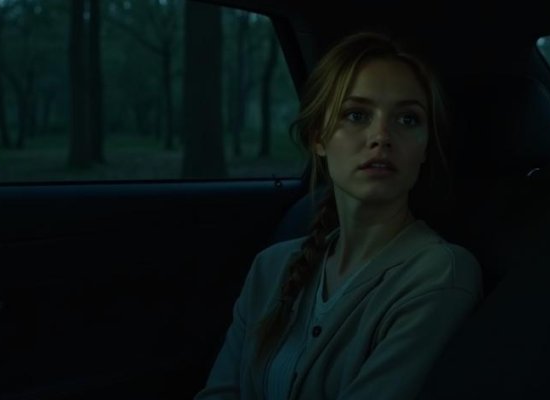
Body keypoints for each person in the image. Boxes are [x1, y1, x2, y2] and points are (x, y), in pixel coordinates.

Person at [194, 32, 482, 400]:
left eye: (408, 119)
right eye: (356, 115)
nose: (381, 136)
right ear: (319, 138)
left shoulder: (440, 274)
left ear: (425, 147)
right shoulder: (271, 268)